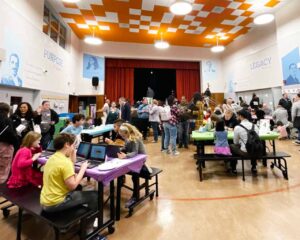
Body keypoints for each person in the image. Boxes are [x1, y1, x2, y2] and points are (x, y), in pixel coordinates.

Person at [117, 123, 151, 207]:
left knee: (135, 175)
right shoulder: (127, 137)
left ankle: (135, 196)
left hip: (140, 160)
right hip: (132, 158)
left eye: (123, 135)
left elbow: (135, 152)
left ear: (127, 133)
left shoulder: (136, 138)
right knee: (120, 168)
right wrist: (118, 149)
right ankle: (120, 181)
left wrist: (126, 156)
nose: (122, 137)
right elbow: (126, 147)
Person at [230, 109, 259, 174]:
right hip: (256, 151)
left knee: (232, 146)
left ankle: (234, 167)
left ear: (240, 116)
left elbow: (235, 142)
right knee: (253, 146)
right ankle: (254, 166)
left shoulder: (238, 127)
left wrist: (241, 141)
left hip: (245, 152)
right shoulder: (255, 126)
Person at [0, 102, 19, 184]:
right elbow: (11, 135)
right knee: (3, 169)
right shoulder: (7, 121)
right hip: (5, 146)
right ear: (7, 111)